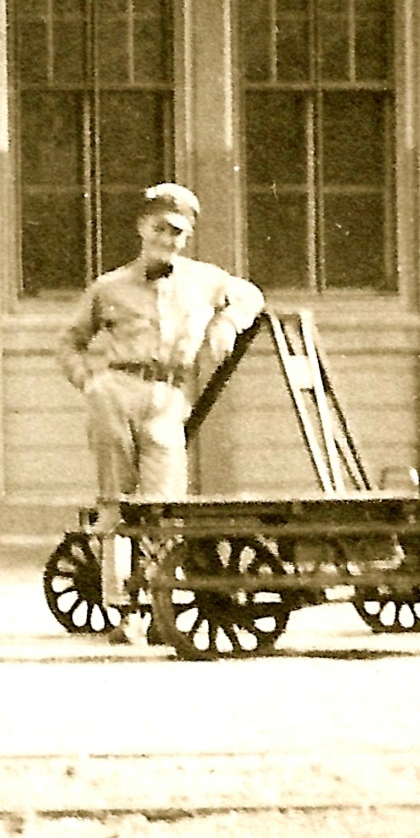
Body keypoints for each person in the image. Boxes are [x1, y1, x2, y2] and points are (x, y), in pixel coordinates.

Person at [56, 182, 265, 642]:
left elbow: (251, 295)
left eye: (177, 233)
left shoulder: (205, 279)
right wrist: (89, 382)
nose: (168, 240)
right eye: (160, 229)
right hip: (115, 391)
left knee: (163, 506)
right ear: (141, 228)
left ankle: (157, 604)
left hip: (168, 398)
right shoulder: (109, 286)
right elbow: (69, 343)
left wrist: (227, 320)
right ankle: (124, 613)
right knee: (116, 503)